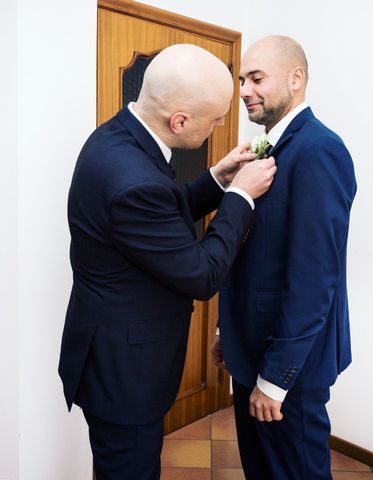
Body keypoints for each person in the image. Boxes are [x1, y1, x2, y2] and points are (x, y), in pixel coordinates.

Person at [58, 43, 276, 480]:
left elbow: (161, 218)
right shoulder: (132, 179)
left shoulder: (118, 136)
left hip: (109, 352)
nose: (219, 127)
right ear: (179, 120)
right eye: (215, 119)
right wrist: (240, 196)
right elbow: (200, 274)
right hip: (125, 375)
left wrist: (217, 178)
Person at [212, 35, 357, 479]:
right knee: (261, 470)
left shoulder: (319, 150)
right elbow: (256, 257)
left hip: (288, 366)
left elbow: (314, 278)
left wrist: (276, 380)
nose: (243, 90)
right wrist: (228, 329)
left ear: (296, 79)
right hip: (251, 348)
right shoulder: (267, 147)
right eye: (242, 80)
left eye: (256, 78)